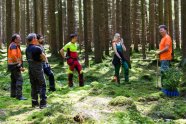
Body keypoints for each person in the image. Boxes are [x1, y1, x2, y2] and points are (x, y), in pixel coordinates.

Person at [26, 33, 47, 109]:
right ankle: (43, 104)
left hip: (30, 68)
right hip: (38, 68)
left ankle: (34, 103)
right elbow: (44, 58)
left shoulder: (27, 48)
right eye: (36, 38)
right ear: (34, 39)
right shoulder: (37, 48)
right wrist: (41, 59)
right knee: (42, 84)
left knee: (34, 85)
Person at [7, 34, 27, 100]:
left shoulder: (13, 45)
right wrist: (19, 65)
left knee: (13, 80)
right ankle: (19, 96)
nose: (20, 39)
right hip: (15, 65)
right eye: (19, 38)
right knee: (19, 79)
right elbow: (13, 55)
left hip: (11, 65)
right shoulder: (13, 45)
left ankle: (13, 94)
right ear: (15, 39)